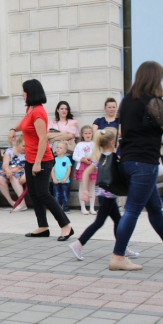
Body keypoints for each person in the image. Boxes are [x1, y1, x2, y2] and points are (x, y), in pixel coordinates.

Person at [108, 61, 163, 271]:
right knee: (132, 210)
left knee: (156, 209)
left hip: (128, 160)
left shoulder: (127, 101)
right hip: (144, 163)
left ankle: (118, 255)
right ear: (153, 78)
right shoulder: (154, 102)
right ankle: (118, 256)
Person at [8, 79, 73, 240]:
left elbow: (43, 139)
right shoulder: (30, 110)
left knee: (43, 193)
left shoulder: (38, 112)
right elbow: (23, 124)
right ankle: (43, 227)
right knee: (35, 195)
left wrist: (37, 163)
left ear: (31, 93)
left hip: (42, 159)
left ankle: (66, 226)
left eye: (24, 91)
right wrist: (12, 129)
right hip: (31, 159)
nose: (22, 94)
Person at [69, 128, 139, 261]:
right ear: (113, 142)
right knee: (99, 222)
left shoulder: (99, 157)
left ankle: (122, 248)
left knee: (118, 221)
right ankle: (78, 244)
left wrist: (84, 189)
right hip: (108, 195)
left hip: (104, 194)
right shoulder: (116, 158)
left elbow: (86, 173)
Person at [0, 135, 27, 211]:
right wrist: (8, 170)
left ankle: (22, 204)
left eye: (27, 146)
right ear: (18, 143)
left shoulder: (28, 152)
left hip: (23, 172)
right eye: (23, 146)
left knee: (13, 176)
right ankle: (12, 203)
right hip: (10, 171)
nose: (25, 148)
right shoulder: (9, 151)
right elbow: (5, 164)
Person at [73, 125, 96, 215]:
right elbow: (75, 156)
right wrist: (82, 159)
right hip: (82, 167)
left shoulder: (94, 144)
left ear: (92, 134)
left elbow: (98, 155)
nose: (88, 135)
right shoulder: (79, 145)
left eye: (89, 133)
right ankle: (83, 207)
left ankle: (92, 208)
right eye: (86, 133)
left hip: (92, 166)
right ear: (82, 134)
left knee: (92, 188)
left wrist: (92, 159)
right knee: (82, 187)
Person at [51, 141, 72, 214]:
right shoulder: (54, 159)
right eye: (57, 147)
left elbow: (69, 169)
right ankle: (57, 207)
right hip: (56, 181)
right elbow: (52, 170)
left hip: (65, 181)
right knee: (56, 194)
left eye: (60, 148)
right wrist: (54, 178)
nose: (58, 149)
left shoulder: (66, 159)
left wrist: (65, 178)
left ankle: (65, 207)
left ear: (65, 151)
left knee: (64, 194)